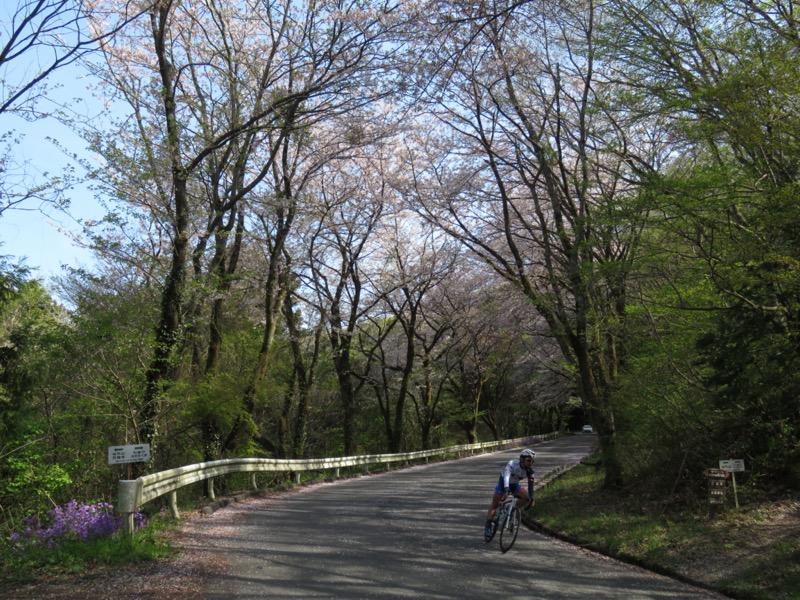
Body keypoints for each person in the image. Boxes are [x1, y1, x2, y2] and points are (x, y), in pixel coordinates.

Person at [484, 448, 536, 539]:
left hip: (514, 485)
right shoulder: (512, 463)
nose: (530, 463)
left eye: (532, 461)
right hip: (503, 482)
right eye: (529, 460)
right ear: (522, 459)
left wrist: (532, 498)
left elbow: (531, 487)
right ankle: (488, 525)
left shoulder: (530, 472)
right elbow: (506, 476)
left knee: (527, 497)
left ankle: (510, 510)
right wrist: (506, 489)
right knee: (495, 503)